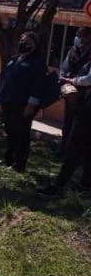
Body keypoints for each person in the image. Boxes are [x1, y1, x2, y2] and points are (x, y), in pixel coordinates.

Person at [39, 57, 91, 198]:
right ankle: (85, 186)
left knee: (74, 149)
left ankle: (59, 186)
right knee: (87, 151)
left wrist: (72, 81)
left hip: (86, 114)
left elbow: (88, 79)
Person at [0, 31, 47, 172]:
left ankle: (19, 164)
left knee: (22, 133)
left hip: (23, 104)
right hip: (8, 101)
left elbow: (38, 85)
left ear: (34, 46)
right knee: (10, 131)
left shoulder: (37, 63)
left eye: (28, 42)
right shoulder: (14, 59)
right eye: (22, 40)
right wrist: (1, 97)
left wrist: (31, 104)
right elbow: (5, 78)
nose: (23, 44)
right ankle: (8, 159)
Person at [58, 27, 91, 153]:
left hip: (85, 95)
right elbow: (65, 67)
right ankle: (64, 149)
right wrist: (64, 77)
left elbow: (88, 78)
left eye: (82, 35)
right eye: (78, 35)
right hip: (71, 92)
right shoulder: (73, 51)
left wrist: (74, 80)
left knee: (80, 125)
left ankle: (77, 153)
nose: (78, 38)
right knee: (68, 122)